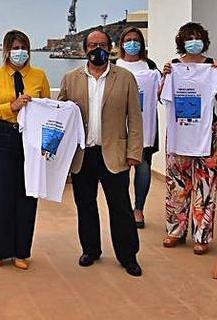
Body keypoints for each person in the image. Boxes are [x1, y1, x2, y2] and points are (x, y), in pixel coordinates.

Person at [58, 30, 143, 277]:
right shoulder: (70, 78)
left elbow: (135, 118)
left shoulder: (125, 77)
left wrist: (134, 152)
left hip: (115, 153)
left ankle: (128, 256)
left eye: (102, 45)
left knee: (121, 207)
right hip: (82, 154)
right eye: (93, 45)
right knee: (85, 205)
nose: (98, 49)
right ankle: (90, 249)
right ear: (85, 49)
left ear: (111, 48)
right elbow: (61, 116)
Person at [0, 30, 49, 270]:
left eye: (24, 47)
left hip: (30, 139)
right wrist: (12, 107)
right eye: (15, 47)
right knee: (0, 195)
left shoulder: (39, 75)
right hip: (2, 136)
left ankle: (22, 251)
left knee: (27, 195)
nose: (20, 52)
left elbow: (47, 108)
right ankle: (0, 251)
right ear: (7, 51)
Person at [159, 22, 217, 255]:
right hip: (180, 132)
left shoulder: (212, 66)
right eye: (190, 37)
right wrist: (165, 77)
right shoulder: (174, 67)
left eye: (198, 37)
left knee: (206, 183)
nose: (194, 41)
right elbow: (163, 98)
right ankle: (174, 230)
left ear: (204, 40)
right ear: (182, 41)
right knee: (176, 183)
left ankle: (202, 235)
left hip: (207, 132)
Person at [115, 27, 160, 229]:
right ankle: (122, 208)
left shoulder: (150, 67)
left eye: (136, 39)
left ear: (141, 43)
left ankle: (138, 209)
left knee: (143, 168)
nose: (132, 43)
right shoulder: (113, 66)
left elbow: (161, 94)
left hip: (144, 128)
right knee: (119, 172)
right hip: (117, 130)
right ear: (121, 43)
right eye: (128, 39)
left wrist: (166, 76)